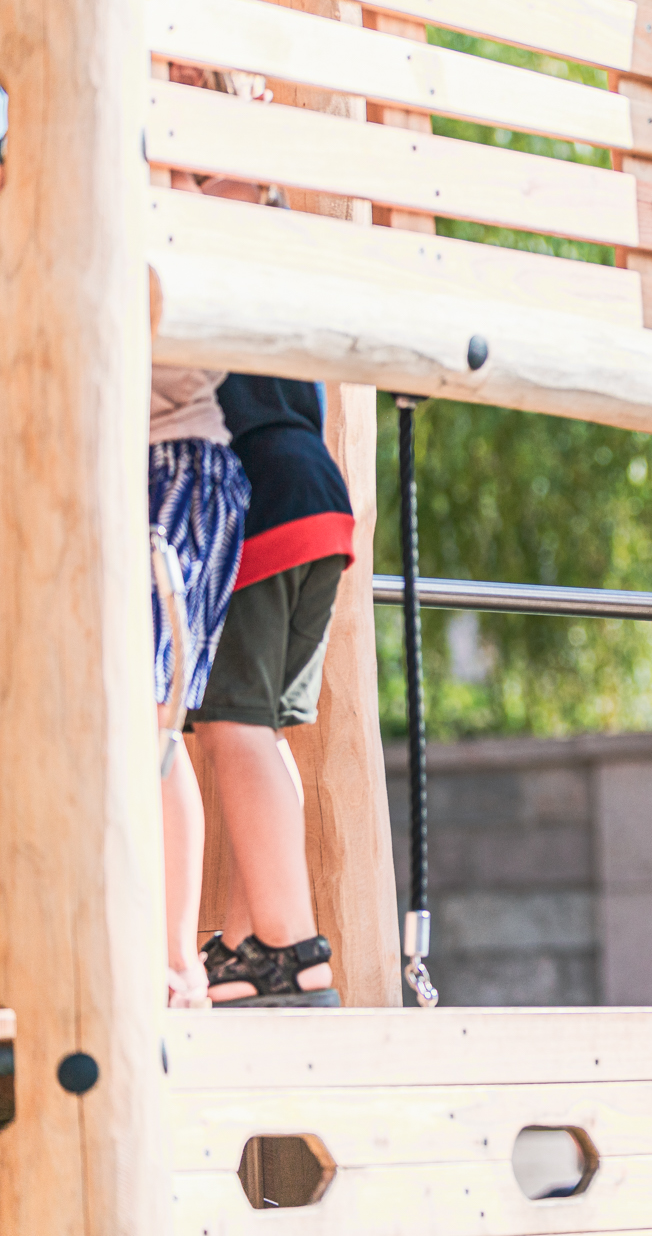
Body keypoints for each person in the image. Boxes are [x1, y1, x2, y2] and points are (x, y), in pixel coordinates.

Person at [188, 374, 355, 1006]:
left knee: (231, 724)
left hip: (261, 492)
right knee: (262, 727)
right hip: (321, 494)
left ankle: (291, 949)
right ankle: (249, 942)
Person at [150, 365, 250, 1008]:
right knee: (151, 720)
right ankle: (173, 957)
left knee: (148, 720)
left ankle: (178, 961)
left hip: (169, 462)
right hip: (185, 465)